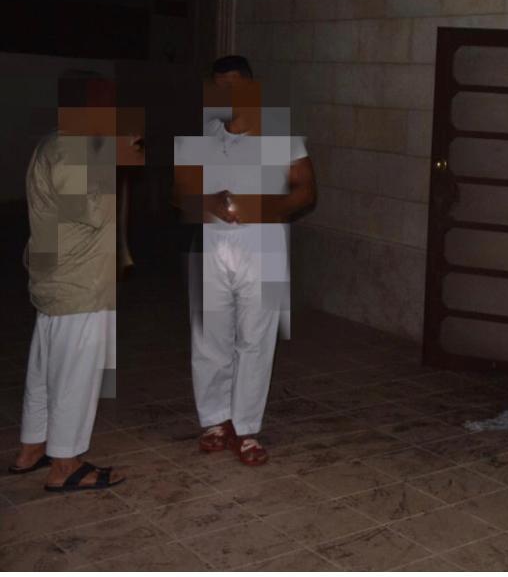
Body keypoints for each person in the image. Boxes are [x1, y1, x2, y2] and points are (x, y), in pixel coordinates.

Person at [173, 55, 316, 465]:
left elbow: (306, 190)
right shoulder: (202, 135)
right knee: (209, 335)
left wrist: (263, 207)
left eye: (235, 86)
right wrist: (207, 200)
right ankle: (215, 420)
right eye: (220, 87)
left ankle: (247, 428)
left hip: (264, 247)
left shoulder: (279, 133)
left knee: (255, 339)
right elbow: (177, 193)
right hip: (211, 246)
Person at [9, 74, 143, 492]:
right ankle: (65, 464)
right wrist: (118, 157)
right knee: (76, 375)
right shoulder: (73, 151)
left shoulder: (54, 143)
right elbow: (93, 212)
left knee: (45, 367)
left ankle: (33, 447)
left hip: (57, 279)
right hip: (80, 284)